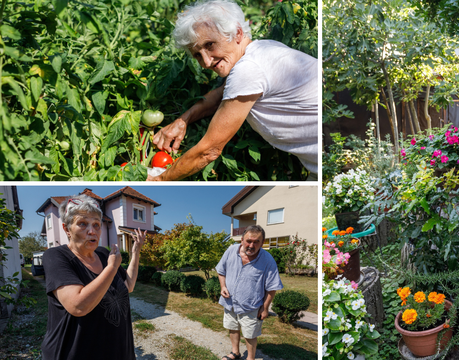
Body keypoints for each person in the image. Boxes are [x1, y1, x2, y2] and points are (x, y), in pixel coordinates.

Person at [148, 0, 318, 181]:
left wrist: (158, 180)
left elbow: (209, 151)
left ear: (237, 33)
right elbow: (222, 94)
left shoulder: (248, 69)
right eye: (197, 54)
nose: (206, 62)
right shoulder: (262, 48)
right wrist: (183, 121)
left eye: (210, 45)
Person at [41, 195, 147, 360]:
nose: (92, 231)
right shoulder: (55, 256)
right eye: (82, 223)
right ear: (66, 228)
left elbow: (129, 285)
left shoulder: (104, 254)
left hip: (118, 351)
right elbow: (78, 306)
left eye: (96, 225)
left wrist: (136, 251)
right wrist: (111, 268)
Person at [215, 225, 283, 360]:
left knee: (250, 334)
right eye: (248, 241)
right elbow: (221, 271)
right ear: (241, 240)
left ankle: (250, 358)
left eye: (256, 242)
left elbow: (272, 287)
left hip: (251, 305)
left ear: (262, 243)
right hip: (230, 302)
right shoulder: (230, 251)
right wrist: (223, 286)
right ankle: (235, 352)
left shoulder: (267, 260)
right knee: (232, 327)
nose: (251, 245)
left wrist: (265, 307)